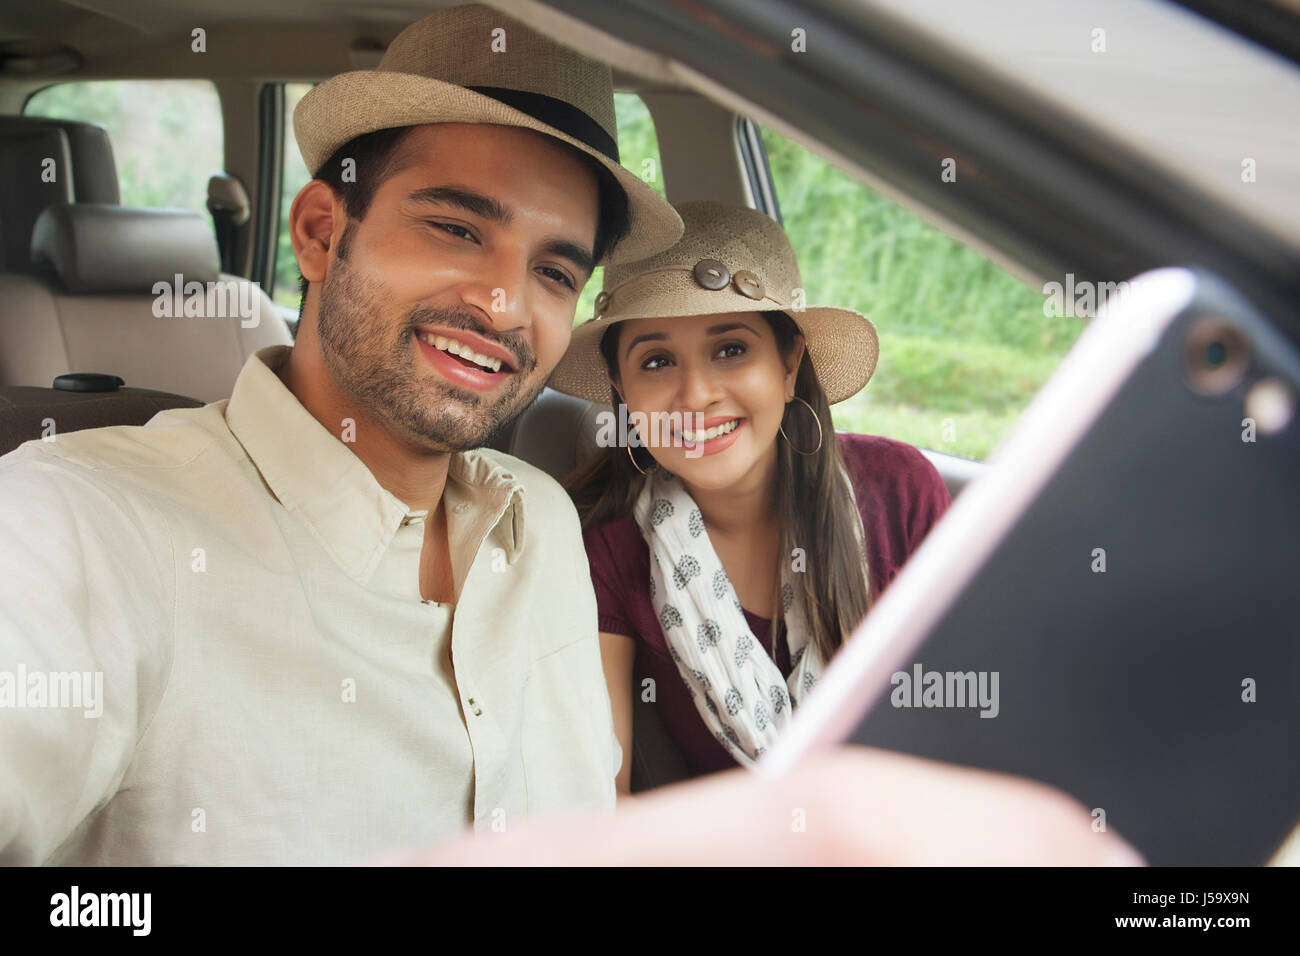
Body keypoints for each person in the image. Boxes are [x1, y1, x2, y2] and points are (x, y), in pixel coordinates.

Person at [0, 4, 683, 865]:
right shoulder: (82, 525)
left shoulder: (541, 519)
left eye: (553, 271)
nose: (503, 305)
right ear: (322, 233)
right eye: (456, 228)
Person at [554, 201, 951, 791]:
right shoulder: (604, 553)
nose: (696, 395)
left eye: (731, 349)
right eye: (657, 361)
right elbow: (605, 801)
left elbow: (961, 738)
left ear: (789, 363)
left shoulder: (900, 490)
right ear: (622, 390)